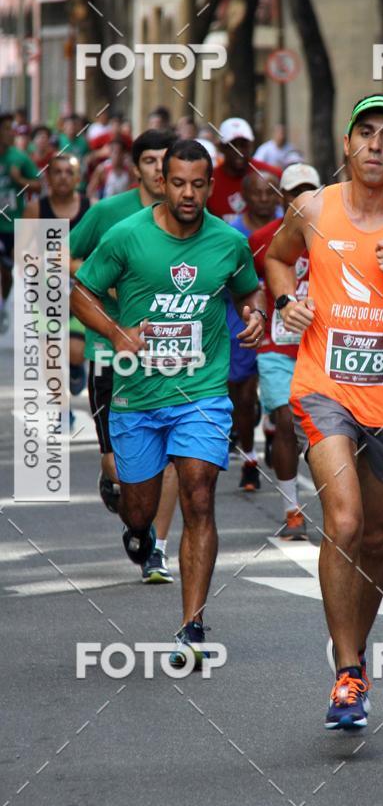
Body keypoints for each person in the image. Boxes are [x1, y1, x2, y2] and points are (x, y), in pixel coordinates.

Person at [266, 94, 383, 729]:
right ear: (347, 144)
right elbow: (274, 255)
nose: (376, 145)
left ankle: (357, 650)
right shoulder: (314, 207)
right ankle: (347, 669)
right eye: (365, 133)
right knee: (343, 521)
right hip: (324, 387)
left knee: (376, 535)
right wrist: (288, 300)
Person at [71, 139, 266, 664]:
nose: (187, 193)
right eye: (177, 182)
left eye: (198, 184)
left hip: (201, 392)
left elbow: (249, 290)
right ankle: (137, 530)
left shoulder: (228, 242)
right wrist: (116, 333)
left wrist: (254, 315)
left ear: (210, 184)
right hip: (137, 397)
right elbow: (79, 290)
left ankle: (192, 625)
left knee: (199, 496)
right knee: (139, 510)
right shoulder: (126, 236)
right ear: (161, 181)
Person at [70, 129, 179, 584]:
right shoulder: (109, 214)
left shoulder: (188, 216)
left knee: (174, 454)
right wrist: (106, 277)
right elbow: (57, 258)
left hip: (172, 357)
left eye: (165, 161)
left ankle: (160, 550)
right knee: (122, 467)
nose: (158, 169)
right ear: (136, 168)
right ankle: (121, 492)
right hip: (111, 354)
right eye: (150, 161)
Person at [249, 163, 320, 537]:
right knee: (286, 421)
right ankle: (292, 508)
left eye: (310, 191)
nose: (302, 199)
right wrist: (261, 310)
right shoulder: (262, 238)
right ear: (283, 197)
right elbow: (247, 286)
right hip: (276, 347)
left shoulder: (330, 235)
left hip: (320, 348)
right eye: (295, 192)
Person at [227, 170, 281, 490]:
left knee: (280, 392)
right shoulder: (232, 233)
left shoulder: (289, 228)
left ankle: (274, 425)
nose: (263, 198)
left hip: (280, 319)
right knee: (244, 396)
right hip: (242, 316)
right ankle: (249, 456)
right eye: (257, 193)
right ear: (244, 196)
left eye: (269, 192)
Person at [24, 155, 90, 413]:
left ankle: (76, 368)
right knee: (50, 356)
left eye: (68, 172)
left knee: (75, 351)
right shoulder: (36, 209)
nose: (63, 177)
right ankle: (62, 411)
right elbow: (22, 252)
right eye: (57, 172)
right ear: (48, 178)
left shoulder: (90, 207)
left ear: (78, 178)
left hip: (79, 290)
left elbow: (101, 248)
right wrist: (36, 260)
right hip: (45, 291)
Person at [0, 112, 41, 333]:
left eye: (11, 128)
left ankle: (4, 304)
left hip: (15, 224)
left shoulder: (19, 158)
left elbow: (39, 186)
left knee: (9, 272)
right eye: (5, 129)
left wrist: (19, 180)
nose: (10, 133)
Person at [207, 117, 281, 223]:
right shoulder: (209, 179)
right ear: (221, 147)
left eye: (243, 145)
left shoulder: (272, 175)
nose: (239, 151)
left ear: (251, 145)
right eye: (232, 146)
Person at [87, 137, 135, 203]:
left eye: (119, 152)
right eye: (114, 152)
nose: (116, 155)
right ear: (109, 153)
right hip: (107, 207)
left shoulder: (129, 169)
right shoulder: (102, 169)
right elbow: (90, 191)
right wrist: (96, 202)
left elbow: (136, 189)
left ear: (124, 154)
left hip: (123, 206)